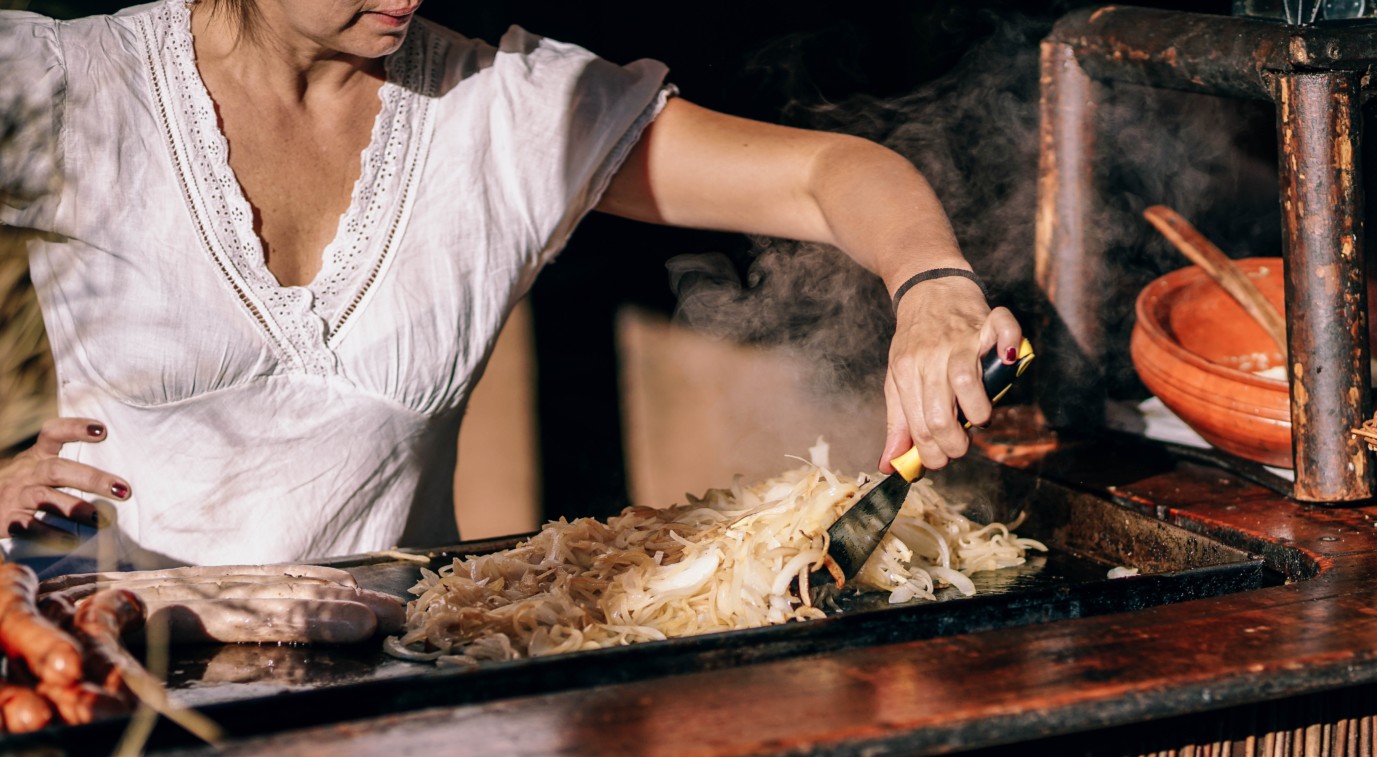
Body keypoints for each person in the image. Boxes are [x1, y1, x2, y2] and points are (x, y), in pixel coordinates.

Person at [0, 0, 1025, 569]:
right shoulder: (67, 85)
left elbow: (823, 176)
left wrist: (930, 285)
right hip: (114, 685)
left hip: (390, 704)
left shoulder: (499, 114)